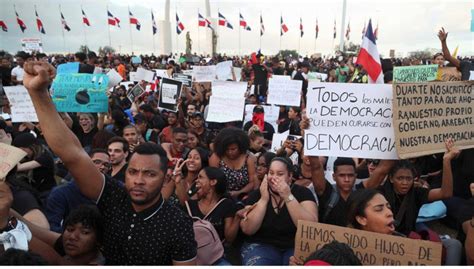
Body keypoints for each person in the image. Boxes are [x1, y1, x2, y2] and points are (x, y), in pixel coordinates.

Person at [21, 60, 197, 265]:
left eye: (149, 174)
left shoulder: (177, 223)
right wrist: (38, 93)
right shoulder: (114, 197)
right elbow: (72, 153)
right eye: (133, 172)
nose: (138, 180)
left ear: (164, 176)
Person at [239, 157, 317, 265]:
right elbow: (248, 229)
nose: (274, 178)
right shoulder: (257, 194)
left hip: (294, 247)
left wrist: (288, 196)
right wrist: (263, 200)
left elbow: (310, 228)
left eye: (280, 174)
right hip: (261, 246)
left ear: (289, 177)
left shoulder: (303, 193)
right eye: (271, 173)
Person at [177, 167, 240, 265]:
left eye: (201, 177)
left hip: (216, 258)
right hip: (191, 258)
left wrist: (237, 218)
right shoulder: (190, 206)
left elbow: (229, 238)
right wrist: (178, 181)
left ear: (213, 182)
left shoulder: (226, 204)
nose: (197, 180)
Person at [45, 149, 111, 233]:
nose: (102, 167)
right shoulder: (61, 193)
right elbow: (52, 227)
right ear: (85, 163)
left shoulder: (110, 194)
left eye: (106, 165)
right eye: (97, 162)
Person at [209, 127, 257, 200]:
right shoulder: (216, 157)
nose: (230, 152)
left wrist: (239, 193)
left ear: (240, 147)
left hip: (244, 197)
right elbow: (212, 180)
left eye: (233, 149)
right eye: (227, 149)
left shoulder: (249, 158)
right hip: (219, 197)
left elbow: (252, 182)